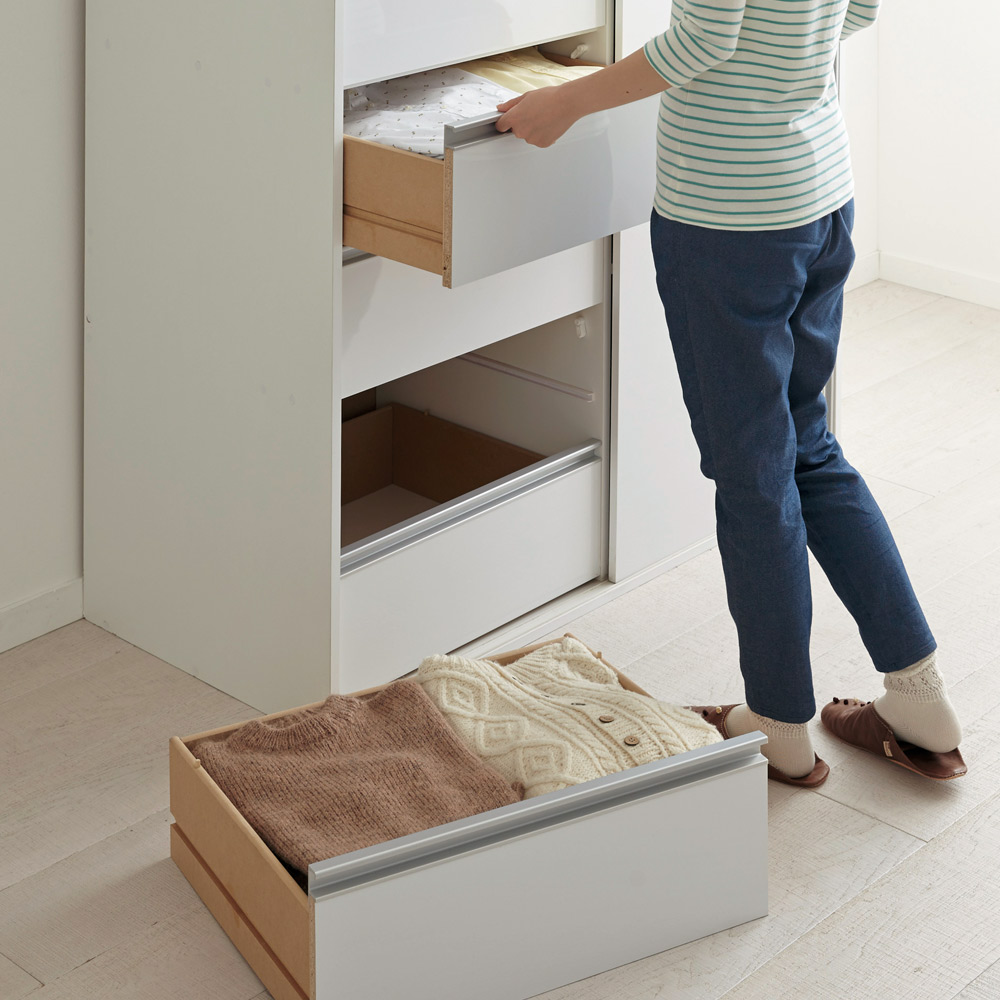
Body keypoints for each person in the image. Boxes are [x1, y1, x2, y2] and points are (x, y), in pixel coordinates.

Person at [496, 1, 966, 786]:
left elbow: (706, 37)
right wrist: (780, 71)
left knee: (755, 477)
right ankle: (920, 698)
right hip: (820, 194)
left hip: (731, 220)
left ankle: (778, 724)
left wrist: (566, 101)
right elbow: (859, 8)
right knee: (807, 447)